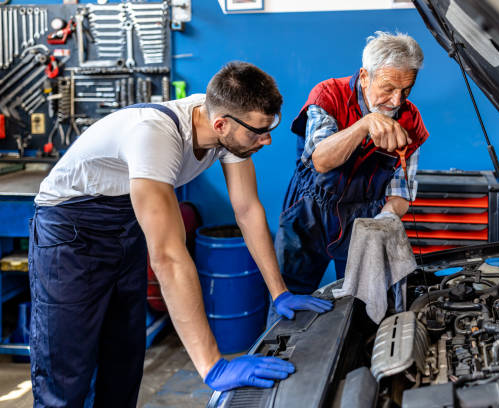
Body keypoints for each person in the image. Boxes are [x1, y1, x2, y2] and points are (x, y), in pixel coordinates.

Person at [29, 61, 332, 407]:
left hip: (124, 225)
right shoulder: (155, 136)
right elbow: (169, 258)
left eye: (269, 127)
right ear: (221, 124)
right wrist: (212, 366)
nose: (267, 139)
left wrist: (280, 293)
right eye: (259, 132)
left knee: (123, 362)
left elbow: (247, 210)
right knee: (67, 370)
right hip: (69, 231)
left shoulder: (225, 125)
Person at [271, 31, 429, 306]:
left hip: (365, 218)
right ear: (365, 76)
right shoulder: (328, 95)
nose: (396, 101)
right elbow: (321, 159)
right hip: (310, 211)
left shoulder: (410, 119)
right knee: (290, 297)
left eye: (406, 90)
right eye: (388, 88)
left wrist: (387, 219)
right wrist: (364, 124)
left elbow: (402, 189)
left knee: (362, 303)